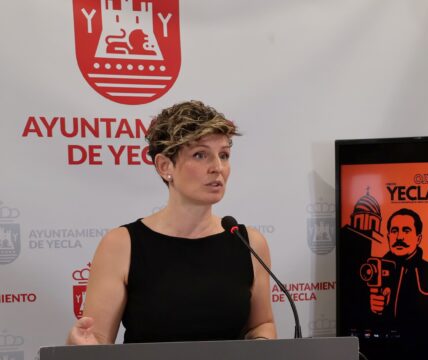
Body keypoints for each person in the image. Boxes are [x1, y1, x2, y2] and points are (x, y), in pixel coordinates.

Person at [67, 100, 276, 345]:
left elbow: (261, 324)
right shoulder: (121, 244)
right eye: (200, 155)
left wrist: (261, 341)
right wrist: (78, 344)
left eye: (224, 155)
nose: (218, 167)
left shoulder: (248, 242)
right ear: (164, 166)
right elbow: (96, 341)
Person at [369, 208, 428, 340]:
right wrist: (372, 309)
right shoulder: (372, 270)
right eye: (394, 231)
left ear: (418, 238)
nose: (399, 237)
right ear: (388, 236)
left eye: (406, 230)